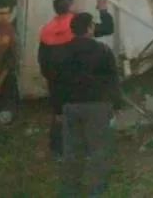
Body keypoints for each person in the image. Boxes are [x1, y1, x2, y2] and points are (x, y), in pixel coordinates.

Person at [38, 0, 115, 161]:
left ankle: (58, 150)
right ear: (71, 7)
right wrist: (103, 9)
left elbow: (43, 59)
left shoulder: (48, 29)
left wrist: (51, 79)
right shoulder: (76, 25)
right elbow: (108, 28)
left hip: (58, 82)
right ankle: (88, 149)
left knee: (60, 116)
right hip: (83, 81)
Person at [56, 12, 122, 198]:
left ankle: (69, 191)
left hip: (71, 106)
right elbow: (112, 80)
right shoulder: (103, 50)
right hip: (98, 105)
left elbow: (56, 83)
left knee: (72, 151)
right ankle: (96, 190)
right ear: (90, 28)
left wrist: (57, 108)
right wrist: (116, 105)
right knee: (98, 149)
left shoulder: (61, 52)